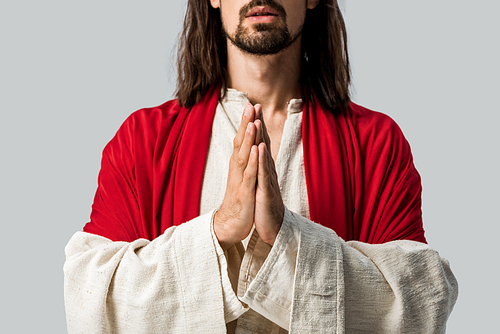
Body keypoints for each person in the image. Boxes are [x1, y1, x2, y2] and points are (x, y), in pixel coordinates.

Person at [64, 0, 458, 332]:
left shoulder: (375, 143)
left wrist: (287, 236)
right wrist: (219, 229)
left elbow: (420, 300)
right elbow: (92, 298)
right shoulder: (143, 140)